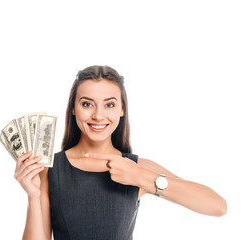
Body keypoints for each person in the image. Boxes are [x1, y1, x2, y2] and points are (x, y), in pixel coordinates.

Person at [13, 65, 227, 240]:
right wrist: (33, 196)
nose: (98, 115)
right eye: (87, 104)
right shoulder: (49, 168)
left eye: (109, 105)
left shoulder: (136, 168)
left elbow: (217, 206)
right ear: (73, 108)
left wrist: (142, 177)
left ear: (122, 110)